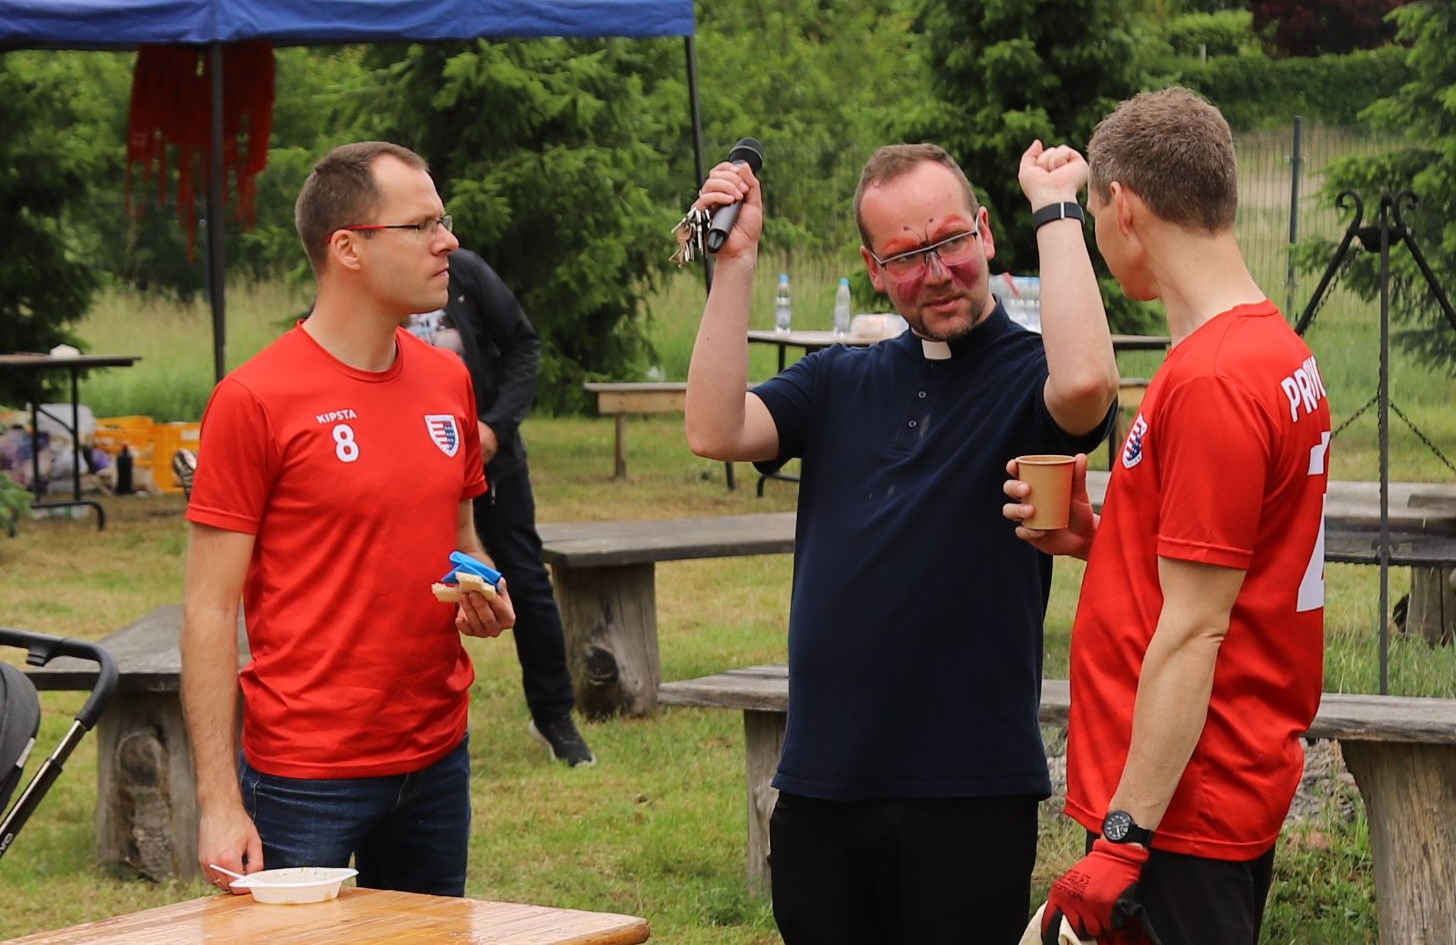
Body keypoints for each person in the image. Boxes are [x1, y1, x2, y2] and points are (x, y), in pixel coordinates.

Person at [684, 141, 1119, 943]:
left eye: (951, 240)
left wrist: (1057, 208)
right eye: (907, 256)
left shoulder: (1032, 377)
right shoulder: (838, 379)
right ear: (874, 270)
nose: (938, 271)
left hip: (969, 789)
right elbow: (715, 427)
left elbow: (1089, 385)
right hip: (823, 781)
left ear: (985, 231)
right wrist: (735, 261)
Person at [1004, 88, 1332, 945]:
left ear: (1124, 208)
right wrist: (1103, 539)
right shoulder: (1271, 348)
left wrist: (1124, 837)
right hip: (1203, 788)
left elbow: (1195, 630)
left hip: (1181, 807)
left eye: (1095, 216)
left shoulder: (1214, 378)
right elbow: (1233, 560)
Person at [181, 141, 517, 896]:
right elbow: (208, 610)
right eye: (422, 225)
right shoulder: (254, 400)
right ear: (348, 249)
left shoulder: (449, 380)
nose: (448, 242)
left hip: (437, 759)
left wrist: (486, 591)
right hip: (306, 775)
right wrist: (219, 802)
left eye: (444, 221)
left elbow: (461, 540)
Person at [404, 248, 594, 767]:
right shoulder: (373, 280)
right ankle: (408, 728)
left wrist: (496, 427)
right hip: (407, 472)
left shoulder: (463, 271)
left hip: (492, 463)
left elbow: (522, 344)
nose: (438, 238)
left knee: (525, 583)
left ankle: (553, 716)